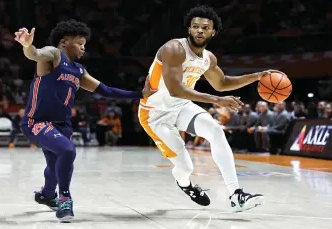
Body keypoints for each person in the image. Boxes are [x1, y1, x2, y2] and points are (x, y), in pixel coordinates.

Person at [14, 19, 153, 221]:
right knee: (68, 150)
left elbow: (105, 90)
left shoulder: (78, 70)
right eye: (80, 43)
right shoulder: (53, 55)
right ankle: (65, 199)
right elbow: (35, 54)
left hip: (63, 126)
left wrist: (139, 94)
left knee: (54, 165)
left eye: (84, 44)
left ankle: (46, 195)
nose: (83, 47)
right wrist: (27, 45)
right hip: (37, 122)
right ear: (64, 42)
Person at [138, 6, 272, 212]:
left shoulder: (209, 58)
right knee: (185, 167)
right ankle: (185, 184)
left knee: (216, 131)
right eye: (195, 27)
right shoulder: (173, 49)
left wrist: (256, 76)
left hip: (182, 107)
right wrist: (216, 100)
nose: (199, 30)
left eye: (205, 27)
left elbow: (222, 83)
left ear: (213, 32)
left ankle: (236, 195)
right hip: (155, 114)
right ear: (189, 30)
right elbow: (174, 89)